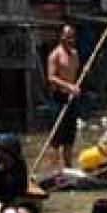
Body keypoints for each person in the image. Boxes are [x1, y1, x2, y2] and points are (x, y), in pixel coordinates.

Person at [45, 24, 83, 173]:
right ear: (61, 37)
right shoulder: (55, 55)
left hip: (71, 99)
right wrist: (69, 87)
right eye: (67, 36)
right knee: (56, 138)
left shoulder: (75, 54)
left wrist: (75, 87)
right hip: (58, 99)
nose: (70, 40)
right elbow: (51, 77)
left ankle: (68, 168)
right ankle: (54, 170)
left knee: (69, 137)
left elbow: (76, 74)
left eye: (72, 36)